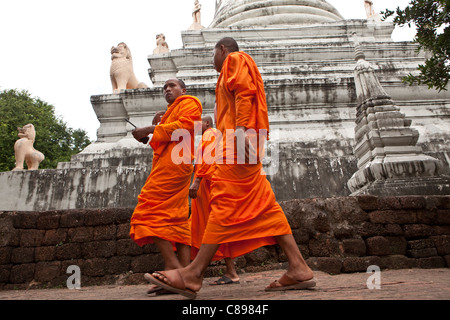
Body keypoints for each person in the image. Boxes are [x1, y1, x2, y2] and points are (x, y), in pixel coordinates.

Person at [144, 38, 314, 299]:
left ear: (222, 50)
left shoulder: (233, 60)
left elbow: (245, 92)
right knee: (265, 204)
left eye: (213, 52)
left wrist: (244, 131)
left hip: (238, 142)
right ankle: (298, 267)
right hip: (242, 141)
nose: (213, 58)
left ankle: (192, 273)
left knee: (223, 200)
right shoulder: (227, 73)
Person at [129, 78, 202, 294]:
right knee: (176, 217)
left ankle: (173, 267)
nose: (167, 90)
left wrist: (151, 128)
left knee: (148, 208)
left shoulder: (190, 102)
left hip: (175, 165)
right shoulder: (168, 112)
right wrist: (149, 135)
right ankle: (185, 274)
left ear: (183, 90)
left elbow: (183, 127)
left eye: (172, 86)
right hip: (170, 163)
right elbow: (167, 135)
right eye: (164, 88)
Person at [189, 115, 240, 285]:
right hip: (207, 185)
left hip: (207, 185)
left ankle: (226, 272)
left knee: (213, 229)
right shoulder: (210, 135)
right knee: (206, 229)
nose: (195, 126)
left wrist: (196, 181)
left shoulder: (210, 133)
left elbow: (208, 158)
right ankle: (199, 272)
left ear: (207, 123)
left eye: (199, 122)